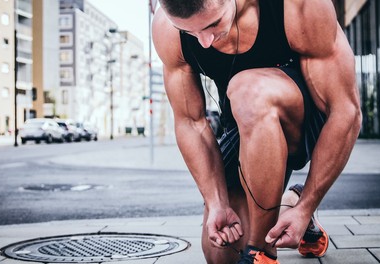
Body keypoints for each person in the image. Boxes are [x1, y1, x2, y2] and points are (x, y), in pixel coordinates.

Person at [152, 0, 362, 263]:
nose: (204, 42)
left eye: (213, 24)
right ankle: (288, 203)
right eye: (190, 32)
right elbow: (190, 122)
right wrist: (217, 202)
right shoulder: (167, 29)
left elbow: (346, 111)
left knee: (247, 90)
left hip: (305, 120)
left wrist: (307, 207)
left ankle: (261, 253)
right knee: (221, 252)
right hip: (243, 126)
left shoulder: (297, 5)